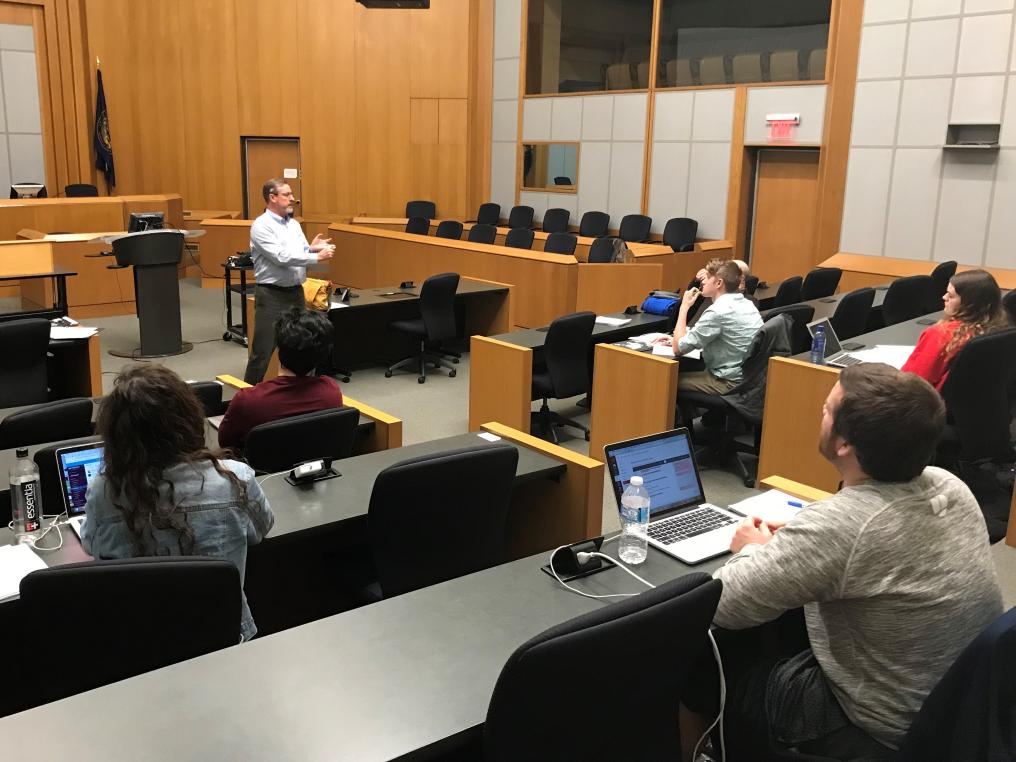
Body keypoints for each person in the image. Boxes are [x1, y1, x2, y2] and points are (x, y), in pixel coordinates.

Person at [691, 363, 1002, 758]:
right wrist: (803, 532)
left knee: (704, 661)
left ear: (843, 445)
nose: (820, 414)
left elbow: (725, 605)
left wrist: (753, 547)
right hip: (951, 704)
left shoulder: (842, 529)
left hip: (879, 725)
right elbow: (873, 533)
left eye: (825, 409)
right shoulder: (948, 484)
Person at [80, 365, 275, 642]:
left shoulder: (103, 490)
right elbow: (260, 530)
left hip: (138, 642)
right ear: (188, 419)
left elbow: (91, 547)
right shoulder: (234, 478)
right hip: (224, 634)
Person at [243, 178, 335, 385]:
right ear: (272, 198)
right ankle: (246, 397)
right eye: (287, 194)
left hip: (296, 293)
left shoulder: (293, 224)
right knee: (262, 352)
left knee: (302, 345)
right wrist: (316, 257)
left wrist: (311, 248)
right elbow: (281, 257)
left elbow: (297, 251)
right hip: (272, 295)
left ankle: (302, 392)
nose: (293, 198)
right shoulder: (261, 226)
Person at [219, 307, 344, 451]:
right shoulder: (331, 392)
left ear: (279, 349)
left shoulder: (247, 400)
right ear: (323, 355)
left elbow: (225, 442)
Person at [660, 258, 762, 395]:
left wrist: (684, 307)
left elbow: (678, 348)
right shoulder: (747, 304)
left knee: (665, 379)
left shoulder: (717, 311)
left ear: (719, 283)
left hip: (727, 382)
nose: (703, 281)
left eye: (708, 277)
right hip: (747, 378)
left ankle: (679, 416)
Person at [901, 269, 1005, 390]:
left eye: (951, 296)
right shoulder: (1000, 331)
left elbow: (914, 382)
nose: (944, 297)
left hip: (929, 404)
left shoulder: (940, 334)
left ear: (969, 302)